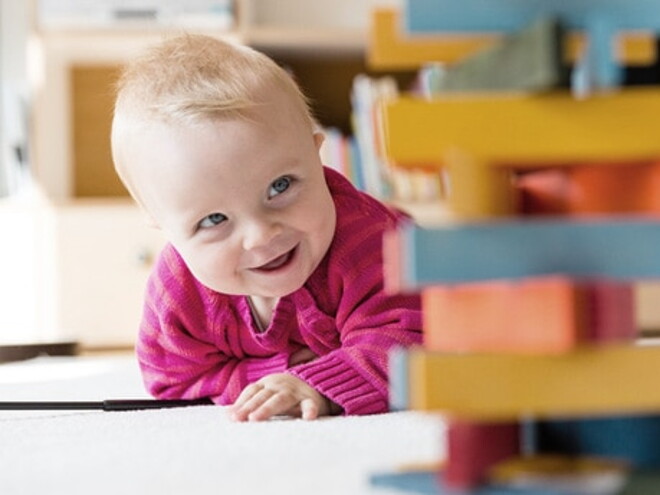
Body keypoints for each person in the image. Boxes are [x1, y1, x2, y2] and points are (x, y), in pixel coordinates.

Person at [111, 34, 422, 422]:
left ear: (316, 154)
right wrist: (268, 377)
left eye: (280, 186)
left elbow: (419, 342)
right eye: (213, 220)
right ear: (162, 224)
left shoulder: (375, 243)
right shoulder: (179, 289)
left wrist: (316, 382)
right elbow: (171, 379)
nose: (261, 235)